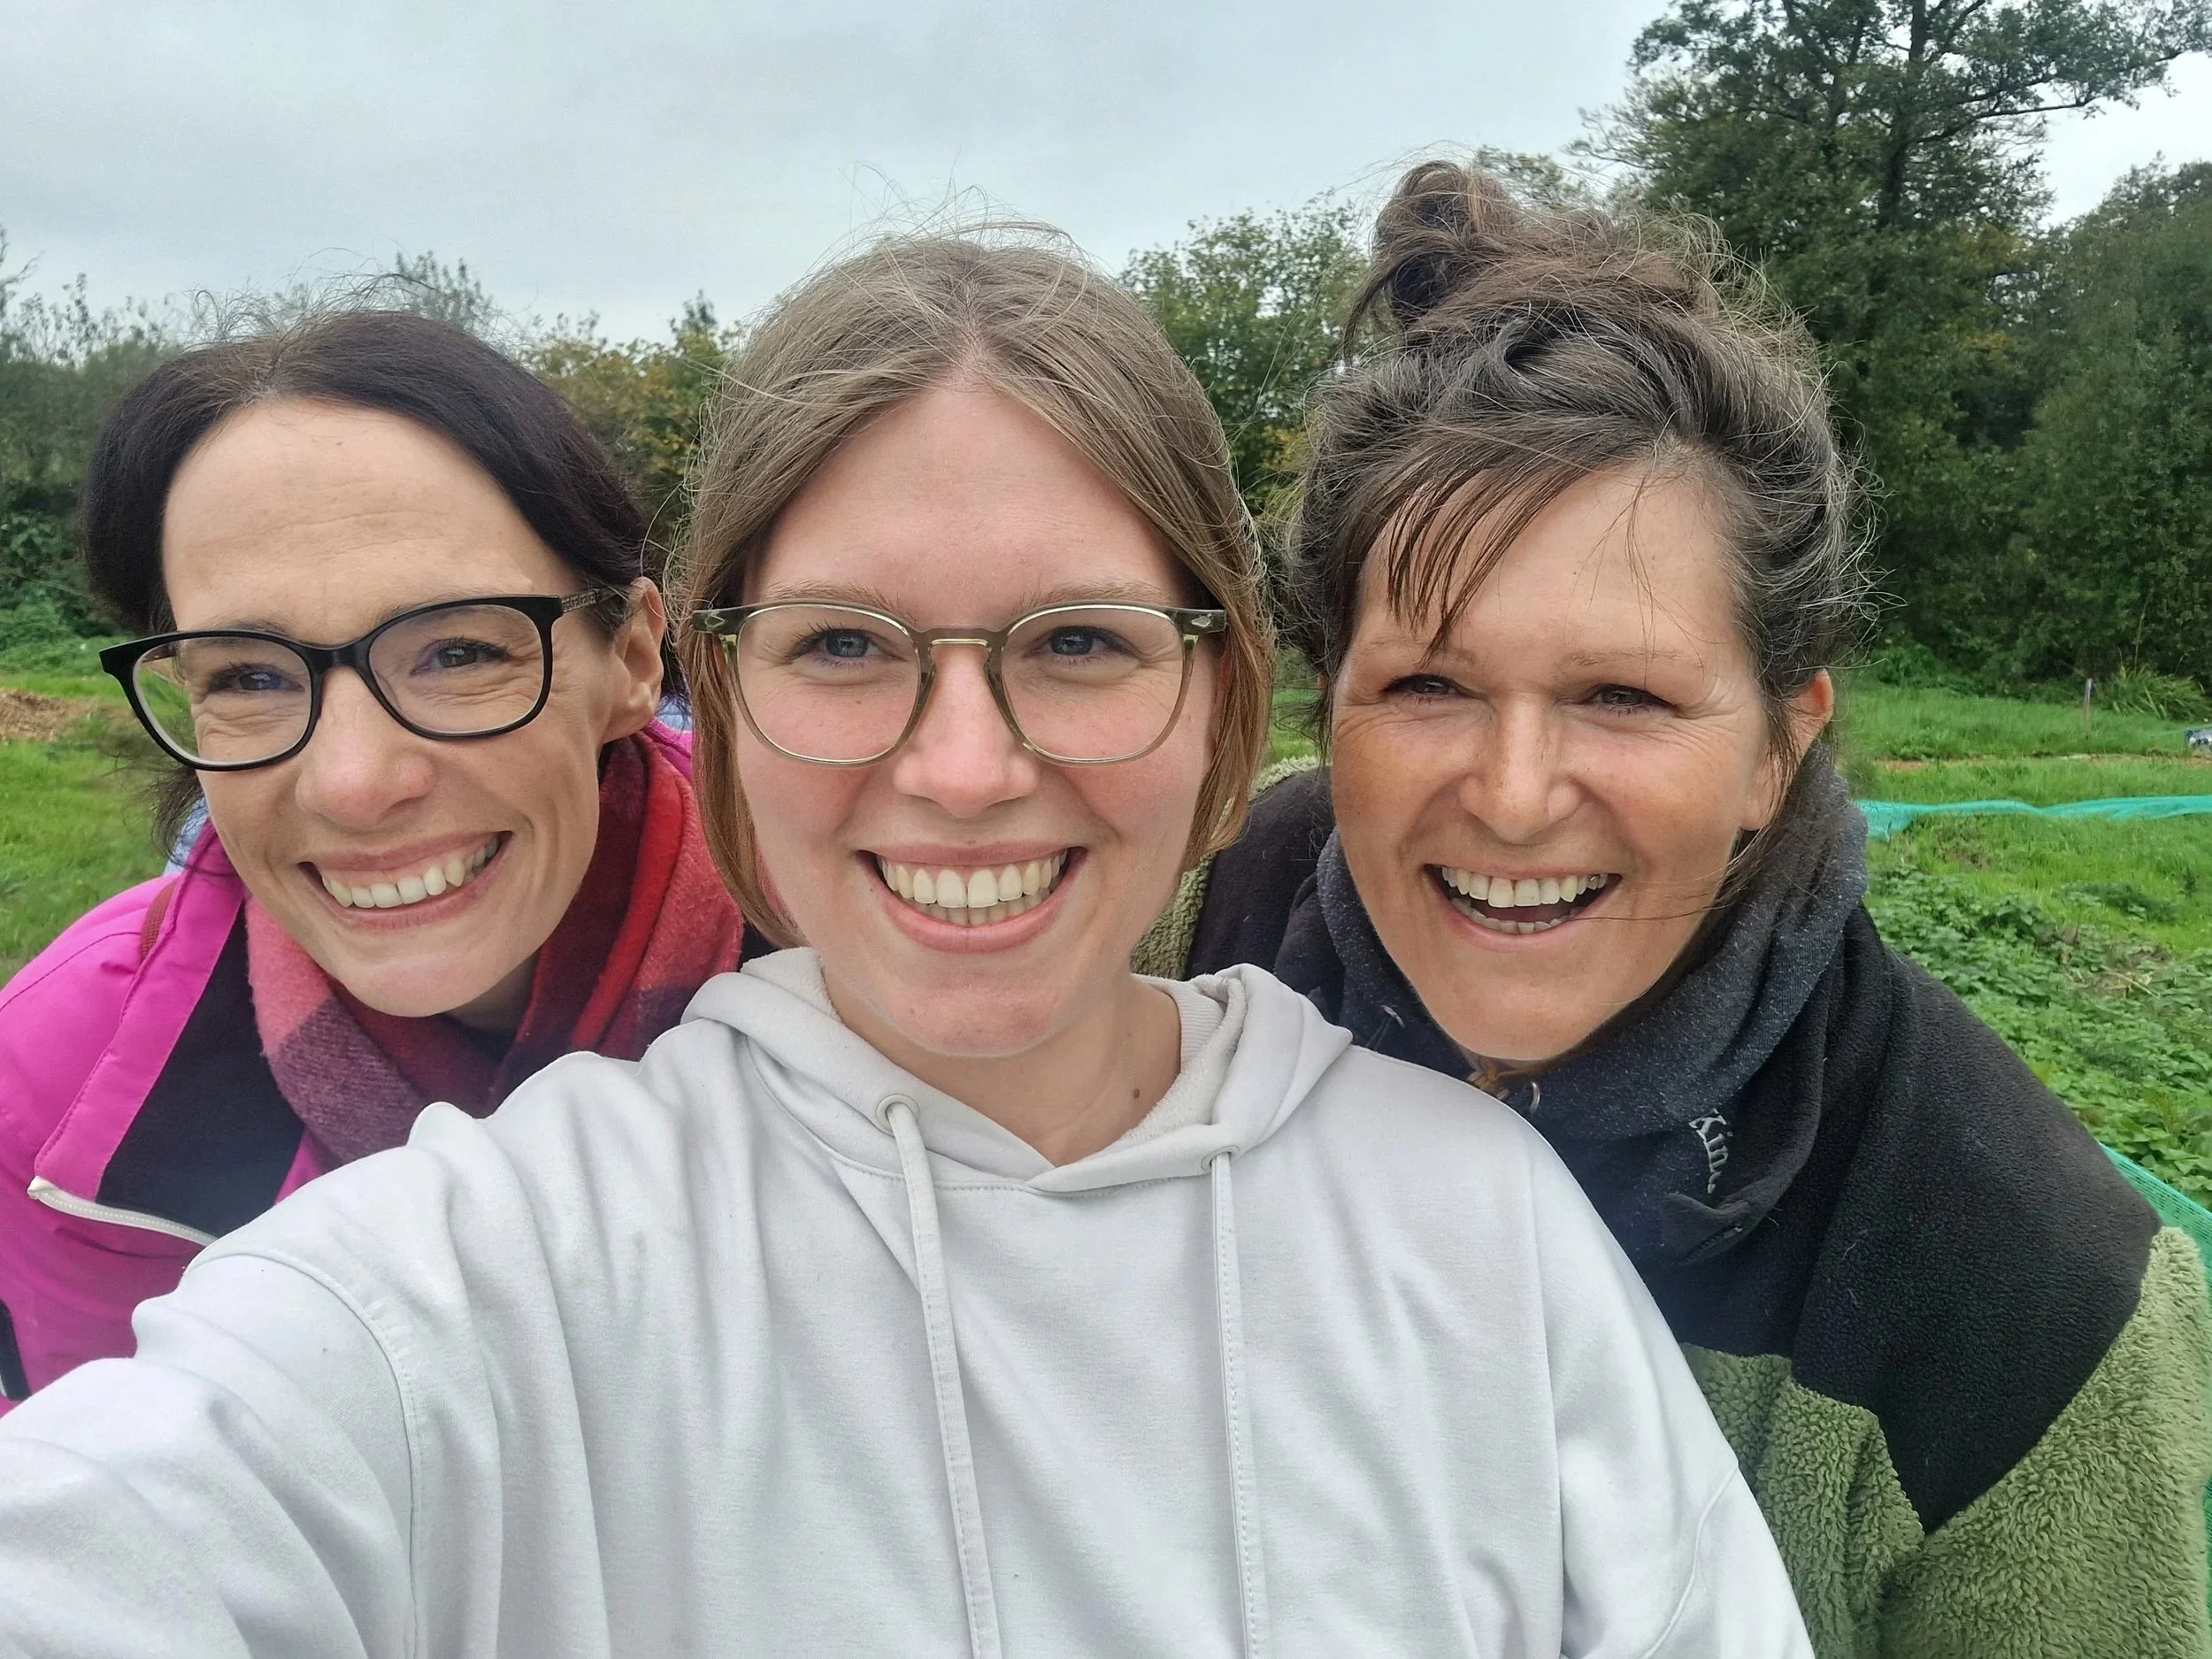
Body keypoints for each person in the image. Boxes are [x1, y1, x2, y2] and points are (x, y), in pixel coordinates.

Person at [0, 232, 1814, 1657]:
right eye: (847, 646)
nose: (960, 770)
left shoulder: (1477, 1222)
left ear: (1223, 702)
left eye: (1079, 644)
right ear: (717, 688)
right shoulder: (496, 1260)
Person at [1152, 161, 2212, 1656]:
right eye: (1431, 686)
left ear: (1779, 744)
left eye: (1625, 695)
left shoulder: (2024, 1293)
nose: (1515, 797)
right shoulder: (1200, 936)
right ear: (1334, 708)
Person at [0, 311, 746, 1406]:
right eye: (249, 677)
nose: (352, 783)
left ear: (632, 658)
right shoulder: (48, 1078)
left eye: (458, 653)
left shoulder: (865, 983)